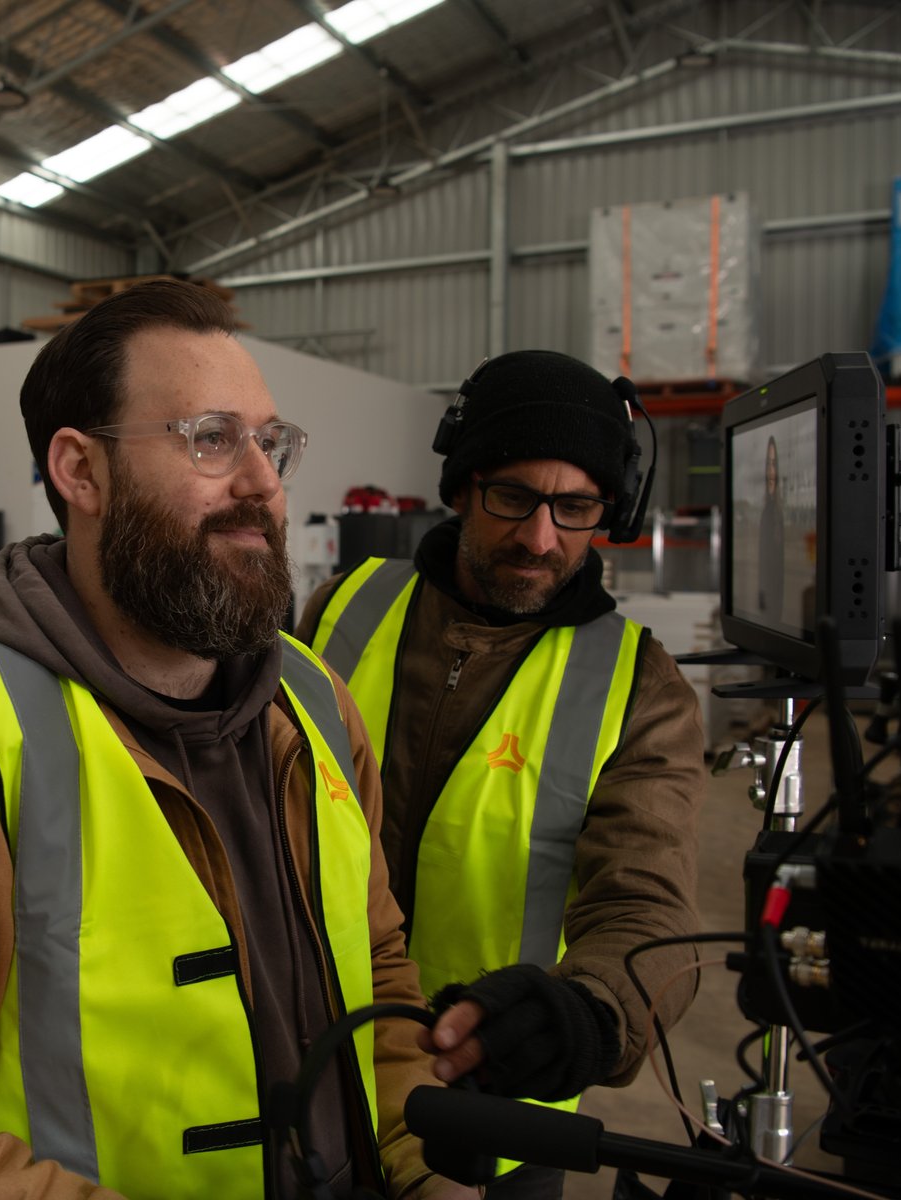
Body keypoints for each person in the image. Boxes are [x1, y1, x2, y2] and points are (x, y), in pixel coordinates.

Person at [0, 280, 476, 1199]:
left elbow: (376, 973)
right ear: (81, 472)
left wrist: (423, 1166)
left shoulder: (312, 703)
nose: (263, 483)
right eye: (211, 439)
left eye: (270, 443)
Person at [298, 350, 705, 1199]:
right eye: (513, 497)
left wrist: (588, 1013)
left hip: (488, 1113)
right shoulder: (342, 608)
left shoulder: (639, 688)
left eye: (576, 507)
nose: (539, 538)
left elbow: (647, 909)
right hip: (310, 1066)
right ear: (461, 487)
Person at [757, 436, 785, 621]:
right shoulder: (766, 511)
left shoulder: (779, 513)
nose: (771, 471)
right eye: (768, 465)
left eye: (774, 465)